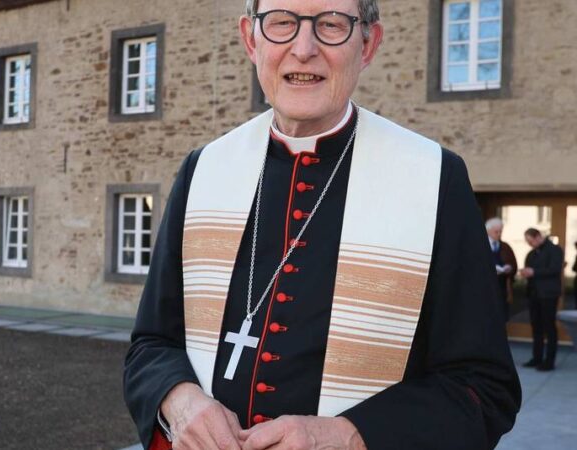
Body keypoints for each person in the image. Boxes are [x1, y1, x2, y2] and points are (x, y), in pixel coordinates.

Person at [124, 1, 521, 449]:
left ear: (368, 44)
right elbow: (151, 345)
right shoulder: (204, 170)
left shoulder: (434, 179)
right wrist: (179, 402)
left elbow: (485, 388)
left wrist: (351, 437)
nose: (303, 48)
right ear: (250, 39)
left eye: (332, 24)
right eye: (281, 23)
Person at [520, 228, 565, 371]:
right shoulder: (531, 254)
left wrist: (534, 272)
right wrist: (525, 272)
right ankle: (537, 357)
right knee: (536, 326)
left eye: (531, 241)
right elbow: (529, 269)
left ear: (538, 236)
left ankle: (549, 361)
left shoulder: (555, 250)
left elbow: (555, 269)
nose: (530, 244)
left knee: (549, 327)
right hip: (534, 294)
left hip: (549, 295)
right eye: (527, 242)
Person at [486, 217, 518, 321]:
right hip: (486, 287)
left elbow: (513, 264)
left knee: (501, 316)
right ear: (488, 231)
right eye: (496, 231)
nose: (499, 234)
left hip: (502, 287)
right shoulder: (481, 246)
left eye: (501, 231)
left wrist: (510, 268)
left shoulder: (505, 246)